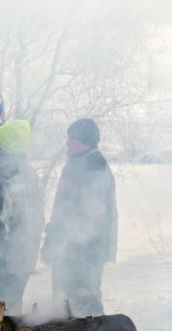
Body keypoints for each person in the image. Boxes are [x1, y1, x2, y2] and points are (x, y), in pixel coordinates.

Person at [42, 118, 117, 316]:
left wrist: (74, 246)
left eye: (72, 139)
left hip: (87, 251)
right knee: (62, 300)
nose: (67, 143)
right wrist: (53, 237)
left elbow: (92, 215)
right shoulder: (74, 163)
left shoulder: (95, 167)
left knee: (84, 303)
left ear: (85, 141)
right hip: (66, 247)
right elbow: (63, 207)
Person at [0, 119, 45, 312]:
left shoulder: (6, 175)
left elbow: (2, 221)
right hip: (24, 257)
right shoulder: (31, 175)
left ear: (5, 148)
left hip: (4, 261)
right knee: (11, 310)